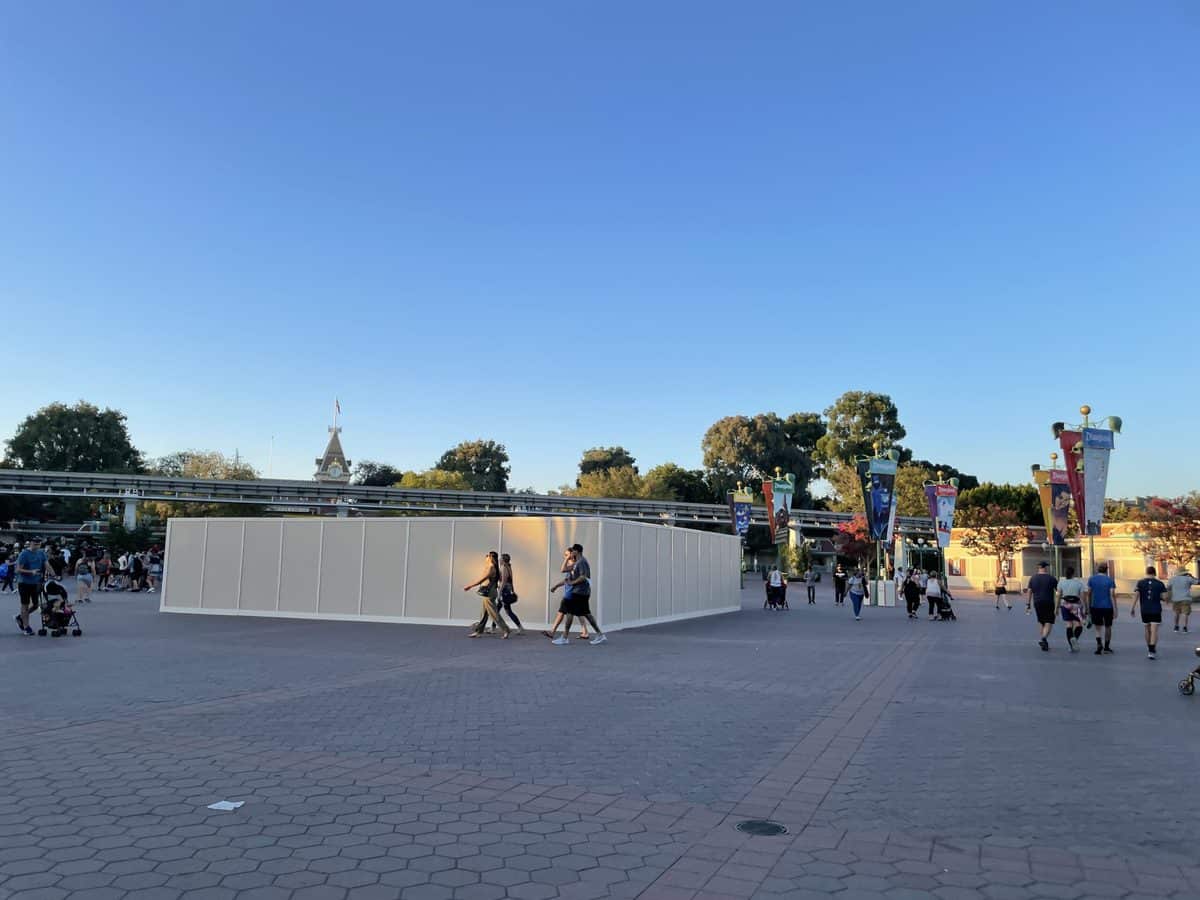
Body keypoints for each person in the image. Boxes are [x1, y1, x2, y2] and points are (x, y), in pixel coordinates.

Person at [547, 544, 606, 645]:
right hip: (579, 592)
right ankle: (600, 635)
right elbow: (563, 569)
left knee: (570, 613)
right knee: (586, 614)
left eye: (572, 551)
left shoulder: (582, 562)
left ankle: (565, 637)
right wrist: (567, 558)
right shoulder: (576, 563)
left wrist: (572, 583)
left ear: (576, 552)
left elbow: (583, 576)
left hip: (580, 592)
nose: (571, 553)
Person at [464, 551, 509, 638]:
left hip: (489, 593)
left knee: (493, 613)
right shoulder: (494, 567)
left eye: (488, 556)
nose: (486, 557)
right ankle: (478, 631)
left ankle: (506, 630)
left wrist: (470, 586)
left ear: (491, 558)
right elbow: (500, 579)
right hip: (491, 592)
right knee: (484, 613)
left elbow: (481, 580)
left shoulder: (491, 568)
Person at [15, 536, 48, 636]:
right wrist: (31, 572)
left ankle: (20, 617)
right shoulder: (24, 554)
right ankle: (26, 627)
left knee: (35, 605)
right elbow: (18, 570)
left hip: (36, 583)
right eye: (35, 544)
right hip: (24, 583)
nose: (36, 546)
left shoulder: (41, 553)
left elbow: (47, 564)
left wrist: (55, 575)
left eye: (38, 544)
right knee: (25, 604)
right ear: (30, 543)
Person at [1131, 566, 1166, 660]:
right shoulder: (1160, 584)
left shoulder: (1140, 583)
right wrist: (1160, 598)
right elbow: (1164, 597)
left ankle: (1149, 648)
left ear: (1146, 572)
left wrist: (1132, 607)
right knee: (1154, 630)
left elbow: (1136, 595)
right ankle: (1152, 650)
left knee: (1147, 629)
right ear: (1155, 573)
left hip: (1144, 609)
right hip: (1156, 609)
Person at [1023, 561, 1059, 652]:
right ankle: (1043, 638)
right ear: (1045, 568)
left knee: (1041, 621)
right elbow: (1058, 592)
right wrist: (1059, 603)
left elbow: (1029, 591)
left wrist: (1028, 604)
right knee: (1049, 622)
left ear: (1038, 568)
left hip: (1037, 602)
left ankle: (1044, 643)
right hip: (1049, 602)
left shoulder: (1033, 578)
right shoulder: (1051, 578)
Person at [1085, 562, 1118, 655]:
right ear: (1106, 570)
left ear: (1097, 569)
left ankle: (1099, 644)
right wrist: (1115, 608)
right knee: (1108, 626)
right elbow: (1112, 594)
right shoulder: (1110, 580)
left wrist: (1088, 606)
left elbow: (1089, 593)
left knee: (1098, 627)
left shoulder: (1092, 579)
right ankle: (1107, 647)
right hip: (1107, 606)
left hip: (1095, 606)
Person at [491, 553, 524, 634]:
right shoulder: (508, 567)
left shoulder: (504, 568)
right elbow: (510, 581)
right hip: (506, 590)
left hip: (504, 591)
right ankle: (520, 627)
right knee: (503, 610)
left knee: (499, 610)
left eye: (500, 558)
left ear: (503, 560)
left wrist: (499, 593)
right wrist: (512, 590)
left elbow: (503, 582)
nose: (499, 560)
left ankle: (493, 628)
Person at [1057, 566, 1086, 652]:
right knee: (1079, 625)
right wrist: (1085, 607)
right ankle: (1075, 638)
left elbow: (1058, 595)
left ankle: (1071, 646)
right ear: (1073, 573)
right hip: (1076, 606)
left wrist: (1056, 607)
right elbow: (1082, 597)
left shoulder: (1061, 583)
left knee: (1069, 624)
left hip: (1065, 605)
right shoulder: (1079, 583)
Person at [1168, 566, 1196, 633]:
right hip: (1186, 598)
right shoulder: (1188, 579)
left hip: (1175, 598)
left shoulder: (1172, 579)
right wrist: (1192, 576)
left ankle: (1176, 627)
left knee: (1176, 613)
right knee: (1185, 613)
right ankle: (1184, 628)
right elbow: (1197, 582)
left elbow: (1168, 587)